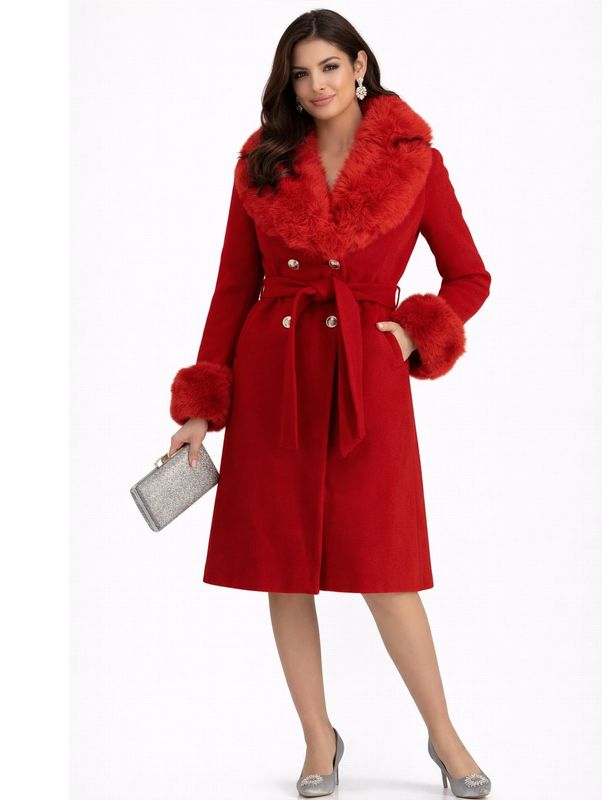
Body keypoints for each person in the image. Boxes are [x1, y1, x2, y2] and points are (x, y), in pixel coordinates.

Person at [167, 9, 492, 798]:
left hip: (365, 380)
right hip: (275, 377)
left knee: (387, 569)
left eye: (329, 67)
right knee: (284, 569)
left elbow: (469, 276)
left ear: (360, 65)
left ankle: (445, 736)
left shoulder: (417, 163)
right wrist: (202, 405)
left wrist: (412, 333)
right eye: (300, 73)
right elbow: (233, 287)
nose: (315, 85)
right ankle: (319, 738)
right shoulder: (262, 161)